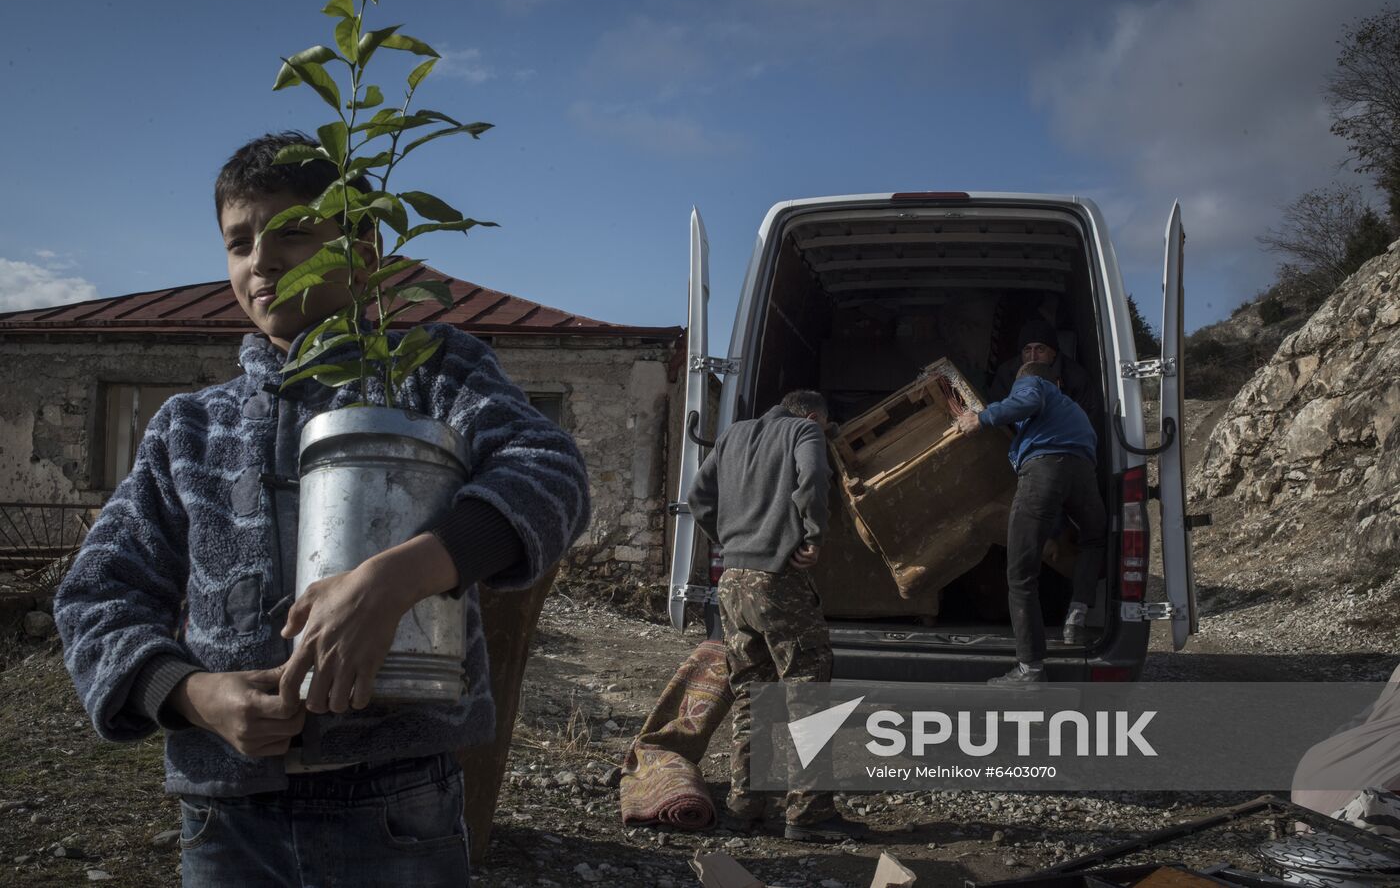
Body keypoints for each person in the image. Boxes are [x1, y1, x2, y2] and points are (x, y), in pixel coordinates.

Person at [53, 131, 591, 887]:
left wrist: (397, 578)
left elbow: (549, 471)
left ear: (363, 252)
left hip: (397, 799)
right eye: (239, 242)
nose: (262, 261)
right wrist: (194, 695)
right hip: (224, 813)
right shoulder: (189, 428)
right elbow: (97, 593)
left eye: (293, 233)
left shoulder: (426, 372)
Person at [687, 390, 867, 843]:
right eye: (824, 427)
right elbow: (813, 477)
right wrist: (814, 535)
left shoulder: (732, 435)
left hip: (732, 581)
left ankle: (745, 806)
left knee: (752, 694)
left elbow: (698, 496)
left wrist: (730, 541)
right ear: (814, 416)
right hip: (778, 579)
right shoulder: (804, 431)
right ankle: (808, 814)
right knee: (807, 693)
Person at [956, 361, 1106, 684]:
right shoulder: (1075, 412)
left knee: (1021, 574)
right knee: (1094, 538)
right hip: (1083, 475)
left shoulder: (1034, 383)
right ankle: (1078, 614)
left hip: (1044, 469)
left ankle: (1030, 669)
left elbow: (1027, 401)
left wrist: (980, 418)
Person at [988, 317, 1101, 422]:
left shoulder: (1076, 378)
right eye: (1027, 350)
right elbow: (996, 413)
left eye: (1040, 349)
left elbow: (1086, 422)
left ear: (1054, 352)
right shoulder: (1006, 373)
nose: (1033, 357)